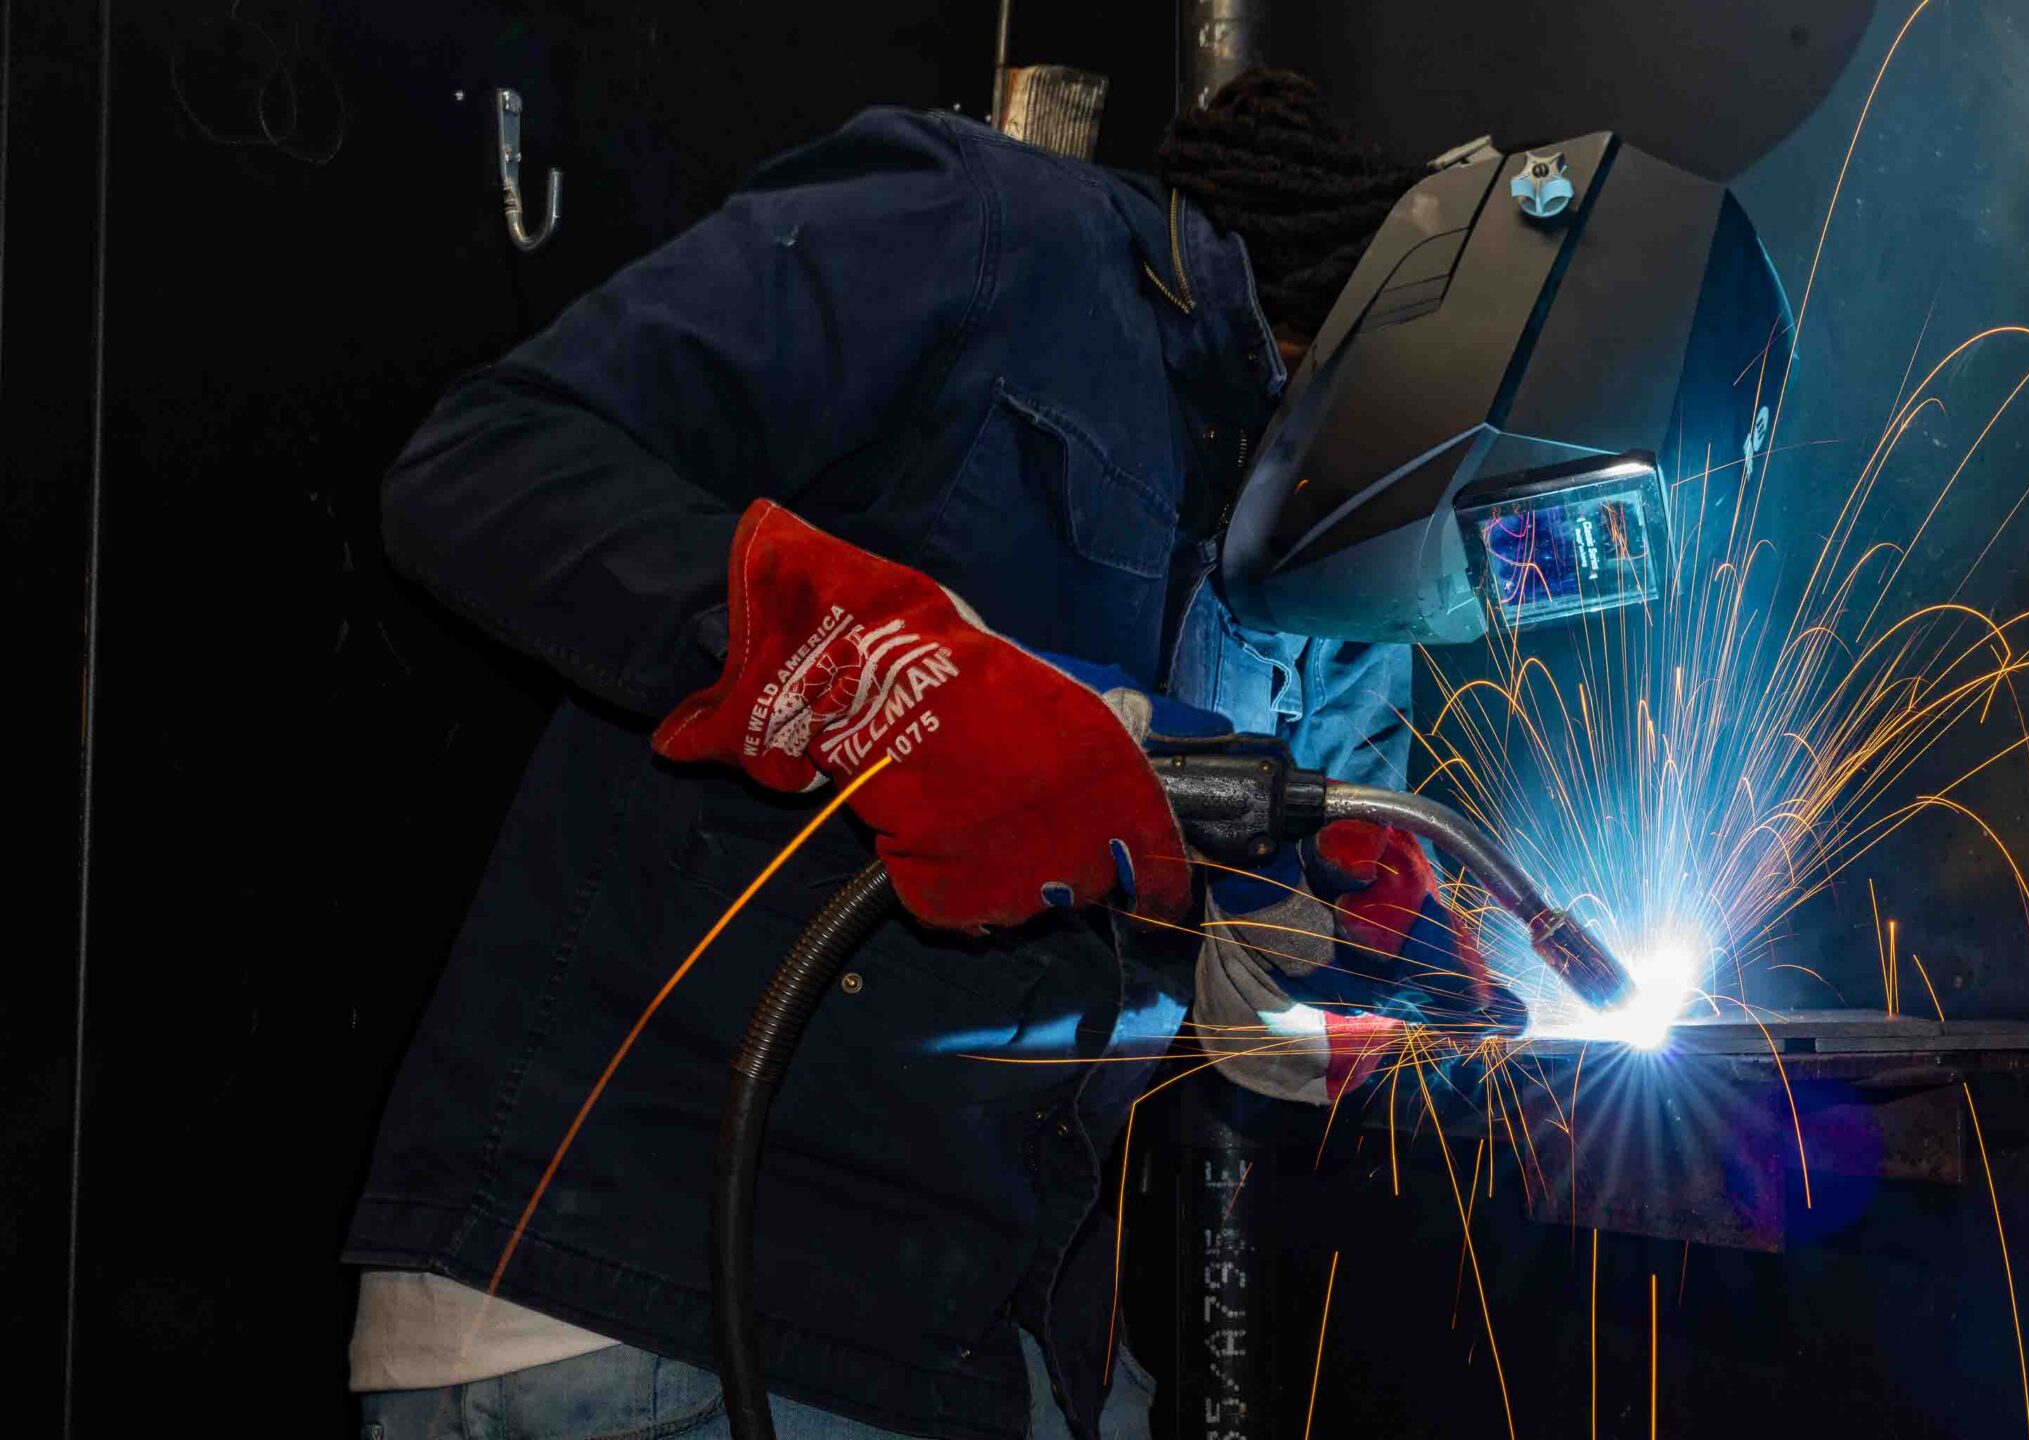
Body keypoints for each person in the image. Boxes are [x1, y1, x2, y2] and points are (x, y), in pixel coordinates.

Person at [346, 70, 1506, 1440]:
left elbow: (1248, 1026)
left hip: (995, 1346)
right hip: (641, 1308)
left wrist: (1333, 955)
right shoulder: (990, 237)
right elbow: (485, 468)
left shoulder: (1343, 576)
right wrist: (888, 680)